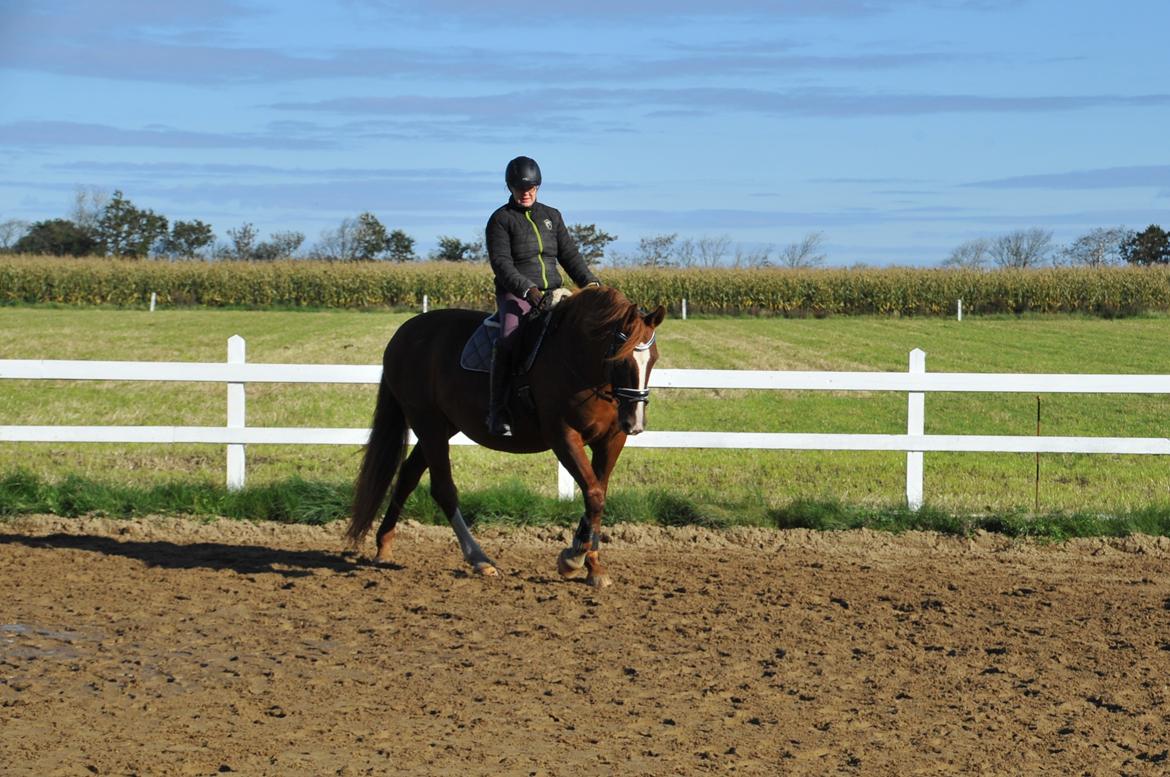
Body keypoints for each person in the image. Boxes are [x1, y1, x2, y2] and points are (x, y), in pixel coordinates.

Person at [484, 155, 601, 436]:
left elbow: (570, 255)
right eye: (520, 188)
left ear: (538, 187)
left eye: (532, 188)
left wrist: (592, 284)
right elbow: (501, 263)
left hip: (555, 292)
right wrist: (528, 290)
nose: (526, 193)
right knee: (510, 338)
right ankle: (497, 410)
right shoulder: (500, 220)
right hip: (518, 294)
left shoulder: (552, 216)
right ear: (509, 187)